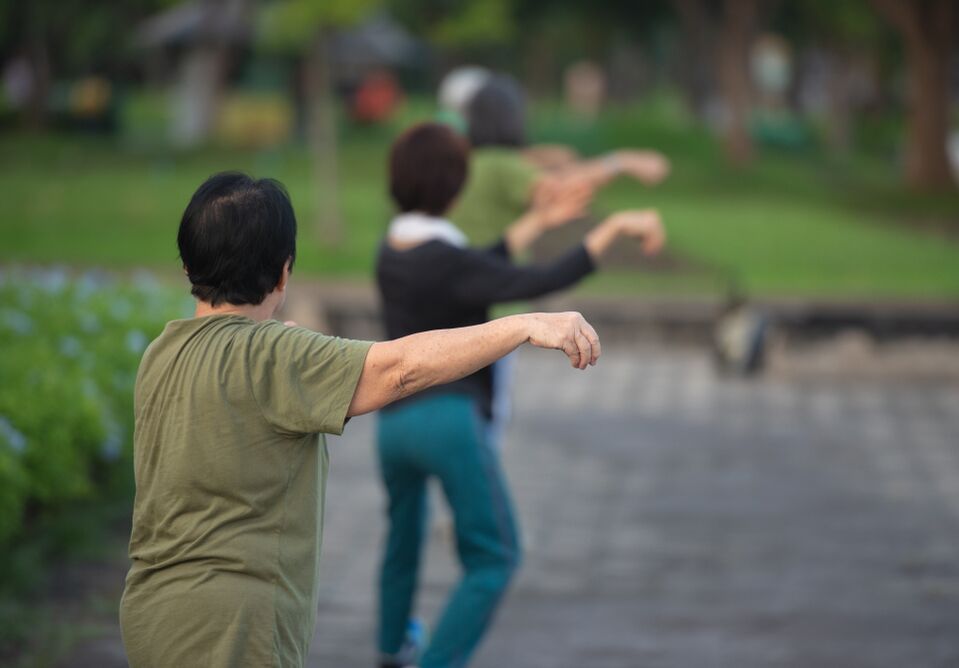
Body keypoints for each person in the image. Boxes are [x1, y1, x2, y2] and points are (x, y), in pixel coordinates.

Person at [118, 172, 604, 668]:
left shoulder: (161, 354)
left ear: (187, 265)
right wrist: (523, 324)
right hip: (231, 629)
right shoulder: (276, 357)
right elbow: (399, 369)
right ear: (283, 274)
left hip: (150, 614)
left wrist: (285, 347)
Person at [375, 123, 664, 668]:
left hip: (391, 427)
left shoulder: (392, 250)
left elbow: (479, 267)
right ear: (455, 190)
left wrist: (537, 221)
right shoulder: (451, 262)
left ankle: (390, 652)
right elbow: (532, 278)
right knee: (495, 556)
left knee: (402, 547)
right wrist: (612, 228)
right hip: (448, 421)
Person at [449, 73, 671, 247]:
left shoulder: (472, 159)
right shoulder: (503, 164)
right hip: (497, 287)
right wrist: (622, 162)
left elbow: (528, 159)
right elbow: (564, 189)